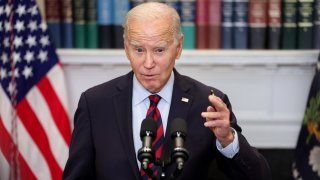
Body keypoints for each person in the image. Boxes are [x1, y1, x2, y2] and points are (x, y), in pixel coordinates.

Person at [62, 2, 271, 180]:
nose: (148, 63)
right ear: (126, 48)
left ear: (178, 47)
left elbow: (259, 177)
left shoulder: (208, 103)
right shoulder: (95, 104)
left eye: (159, 50)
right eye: (139, 50)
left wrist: (227, 139)